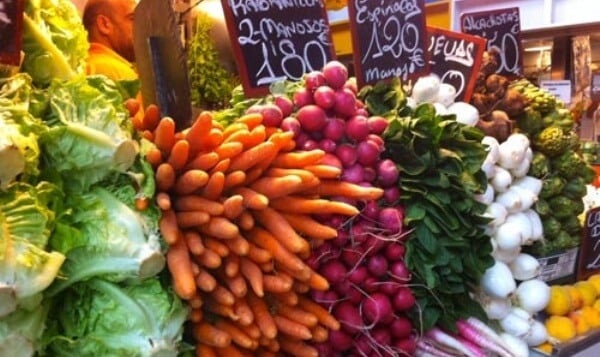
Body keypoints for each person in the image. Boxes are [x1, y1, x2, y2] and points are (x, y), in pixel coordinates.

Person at [82, 0, 137, 81]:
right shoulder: (117, 71)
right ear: (104, 24)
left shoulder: (86, 65)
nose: (141, 25)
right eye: (132, 18)